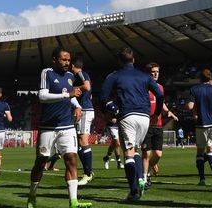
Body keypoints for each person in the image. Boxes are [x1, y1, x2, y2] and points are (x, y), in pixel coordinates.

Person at [26, 47, 91, 208]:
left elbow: (71, 96)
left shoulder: (70, 76)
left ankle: (73, 201)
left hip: (67, 125)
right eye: (63, 59)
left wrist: (76, 106)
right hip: (47, 127)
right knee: (41, 163)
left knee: (71, 160)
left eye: (69, 60)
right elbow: (42, 96)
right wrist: (67, 96)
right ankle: (32, 196)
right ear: (54, 60)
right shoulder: (47, 73)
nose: (67, 63)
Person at [99, 47, 163, 202]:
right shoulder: (144, 76)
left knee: (128, 152)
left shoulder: (115, 75)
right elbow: (160, 94)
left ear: (119, 61)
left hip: (128, 115)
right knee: (136, 150)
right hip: (145, 117)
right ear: (133, 60)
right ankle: (141, 180)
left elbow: (103, 96)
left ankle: (134, 192)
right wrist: (156, 113)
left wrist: (108, 111)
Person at [142, 62, 178, 189]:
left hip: (158, 124)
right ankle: (145, 178)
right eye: (153, 72)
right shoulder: (143, 87)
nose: (155, 74)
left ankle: (150, 167)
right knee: (146, 153)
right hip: (146, 124)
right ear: (148, 74)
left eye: (157, 71)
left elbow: (161, 104)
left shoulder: (160, 88)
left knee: (158, 154)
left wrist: (169, 112)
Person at [70, 58, 95, 185]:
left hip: (85, 109)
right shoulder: (78, 76)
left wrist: (75, 88)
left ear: (74, 66)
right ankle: (87, 170)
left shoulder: (81, 74)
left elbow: (87, 86)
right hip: (81, 110)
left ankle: (88, 173)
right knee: (78, 144)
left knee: (83, 141)